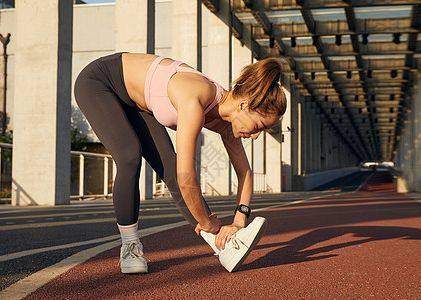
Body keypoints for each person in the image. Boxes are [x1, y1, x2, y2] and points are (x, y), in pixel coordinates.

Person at [74, 53, 287, 273]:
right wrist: (204, 221)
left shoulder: (227, 123)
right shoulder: (196, 99)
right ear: (244, 105)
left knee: (169, 166)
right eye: (259, 126)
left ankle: (221, 245)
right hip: (100, 82)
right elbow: (187, 178)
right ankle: (130, 246)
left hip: (137, 103)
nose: (256, 136)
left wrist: (239, 221)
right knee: (129, 156)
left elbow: (245, 173)